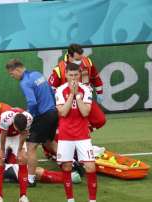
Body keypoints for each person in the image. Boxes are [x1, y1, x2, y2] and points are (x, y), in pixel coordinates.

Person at [5, 59, 58, 186]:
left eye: (12, 74)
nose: (12, 77)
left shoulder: (25, 82)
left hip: (43, 116)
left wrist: (28, 117)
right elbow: (51, 91)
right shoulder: (37, 74)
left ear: (17, 70)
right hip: (53, 113)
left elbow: (32, 103)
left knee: (31, 146)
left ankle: (31, 179)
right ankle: (73, 164)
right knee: (49, 142)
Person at [55, 63, 97, 202]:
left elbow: (85, 112)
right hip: (66, 135)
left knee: (90, 167)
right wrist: (71, 95)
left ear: (79, 75)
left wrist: (77, 96)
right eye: (70, 75)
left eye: (76, 75)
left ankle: (92, 200)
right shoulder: (60, 90)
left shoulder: (86, 90)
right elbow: (63, 112)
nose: (73, 78)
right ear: (66, 75)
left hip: (82, 135)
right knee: (67, 167)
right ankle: (70, 199)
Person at [48, 43, 106, 130]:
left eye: (81, 58)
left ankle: (84, 132)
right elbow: (51, 89)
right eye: (77, 59)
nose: (80, 61)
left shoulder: (87, 62)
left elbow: (95, 77)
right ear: (69, 56)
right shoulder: (59, 69)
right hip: (67, 101)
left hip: (85, 98)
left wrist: (99, 92)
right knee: (61, 127)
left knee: (100, 120)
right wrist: (56, 104)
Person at [0, 108, 32, 202]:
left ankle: (23, 196)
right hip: (0, 133)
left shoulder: (29, 119)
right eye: (17, 128)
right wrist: (2, 150)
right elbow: (3, 134)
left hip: (16, 137)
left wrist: (19, 150)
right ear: (13, 123)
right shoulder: (6, 118)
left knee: (23, 158)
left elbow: (24, 134)